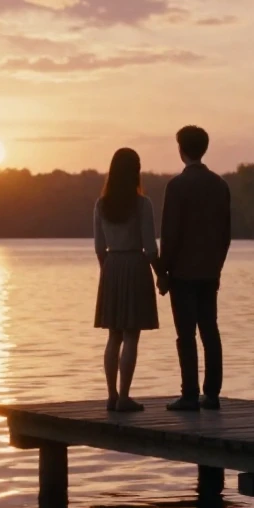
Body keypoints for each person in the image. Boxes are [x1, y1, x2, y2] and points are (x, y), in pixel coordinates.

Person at [157, 126, 231, 412]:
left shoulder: (177, 186)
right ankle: (211, 394)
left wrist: (163, 272)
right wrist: (218, 266)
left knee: (186, 334)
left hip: (183, 273)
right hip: (209, 271)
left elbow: (170, 233)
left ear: (181, 150)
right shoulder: (220, 185)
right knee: (209, 329)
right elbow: (225, 233)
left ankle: (189, 395)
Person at [93, 147, 161, 412]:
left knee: (114, 336)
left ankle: (111, 396)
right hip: (134, 265)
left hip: (111, 266)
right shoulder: (143, 204)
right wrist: (161, 274)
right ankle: (124, 397)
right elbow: (151, 249)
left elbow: (99, 247)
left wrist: (107, 271)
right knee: (131, 336)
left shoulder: (101, 204)